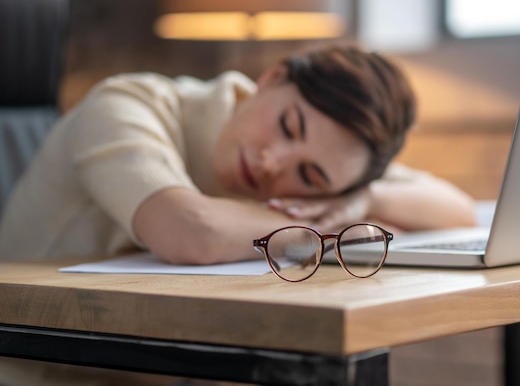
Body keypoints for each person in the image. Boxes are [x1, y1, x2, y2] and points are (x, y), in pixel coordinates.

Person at [0, 43, 475, 386]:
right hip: (36, 367)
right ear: (270, 78)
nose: (274, 163)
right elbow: (192, 232)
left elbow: (458, 210)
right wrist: (330, 223)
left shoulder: (338, 173)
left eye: (309, 176)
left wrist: (364, 202)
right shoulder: (128, 102)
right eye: (288, 126)